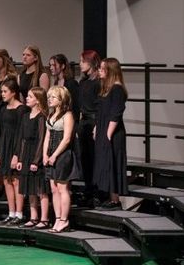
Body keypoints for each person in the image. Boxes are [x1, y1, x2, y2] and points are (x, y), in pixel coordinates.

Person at [43, 85, 80, 234]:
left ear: (61, 99)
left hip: (63, 155)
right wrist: (45, 154)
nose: (49, 99)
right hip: (51, 153)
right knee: (53, 189)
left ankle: (64, 220)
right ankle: (58, 218)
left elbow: (66, 139)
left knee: (62, 188)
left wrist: (54, 155)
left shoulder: (68, 115)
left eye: (53, 97)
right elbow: (47, 136)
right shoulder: (51, 115)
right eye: (49, 97)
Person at [93, 57, 128, 209]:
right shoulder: (107, 88)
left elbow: (116, 114)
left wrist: (108, 134)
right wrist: (97, 128)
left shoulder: (117, 89)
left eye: (102, 69)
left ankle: (115, 200)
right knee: (104, 163)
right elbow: (101, 112)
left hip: (112, 133)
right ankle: (109, 197)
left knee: (112, 162)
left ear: (110, 71)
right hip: (103, 129)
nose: (99, 71)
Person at [0, 78, 27, 225]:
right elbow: (0, 132)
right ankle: (11, 213)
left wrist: (17, 155)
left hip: (16, 147)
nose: (2, 94)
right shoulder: (3, 109)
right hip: (4, 147)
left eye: (5, 91)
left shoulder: (22, 109)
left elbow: (21, 133)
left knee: (16, 181)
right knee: (6, 180)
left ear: (13, 92)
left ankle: (19, 214)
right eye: (2, 91)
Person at [17, 86, 50, 229]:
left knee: (40, 189)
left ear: (38, 100)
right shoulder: (25, 116)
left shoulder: (41, 117)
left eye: (30, 96)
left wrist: (36, 161)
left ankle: (44, 218)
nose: (27, 98)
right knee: (30, 189)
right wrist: (20, 159)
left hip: (37, 154)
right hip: (26, 154)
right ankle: (33, 217)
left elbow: (42, 139)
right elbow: (22, 139)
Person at [77, 50, 101, 207]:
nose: (80, 64)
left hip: (94, 122)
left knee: (94, 158)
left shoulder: (98, 82)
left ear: (91, 62)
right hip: (84, 122)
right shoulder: (83, 82)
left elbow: (100, 106)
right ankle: (88, 191)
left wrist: (97, 125)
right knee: (85, 159)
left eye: (82, 61)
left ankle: (97, 193)